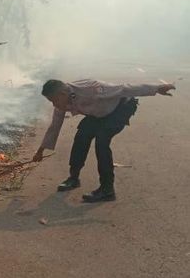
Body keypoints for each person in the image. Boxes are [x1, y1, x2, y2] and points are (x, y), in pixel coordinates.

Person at [32, 79, 175, 203]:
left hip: (120, 108)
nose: (53, 105)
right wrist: (40, 151)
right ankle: (73, 178)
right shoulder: (62, 102)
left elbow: (125, 89)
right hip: (98, 113)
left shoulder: (92, 88)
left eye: (53, 101)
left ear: (62, 94)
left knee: (102, 141)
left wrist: (156, 88)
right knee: (82, 136)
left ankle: (107, 190)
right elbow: (55, 126)